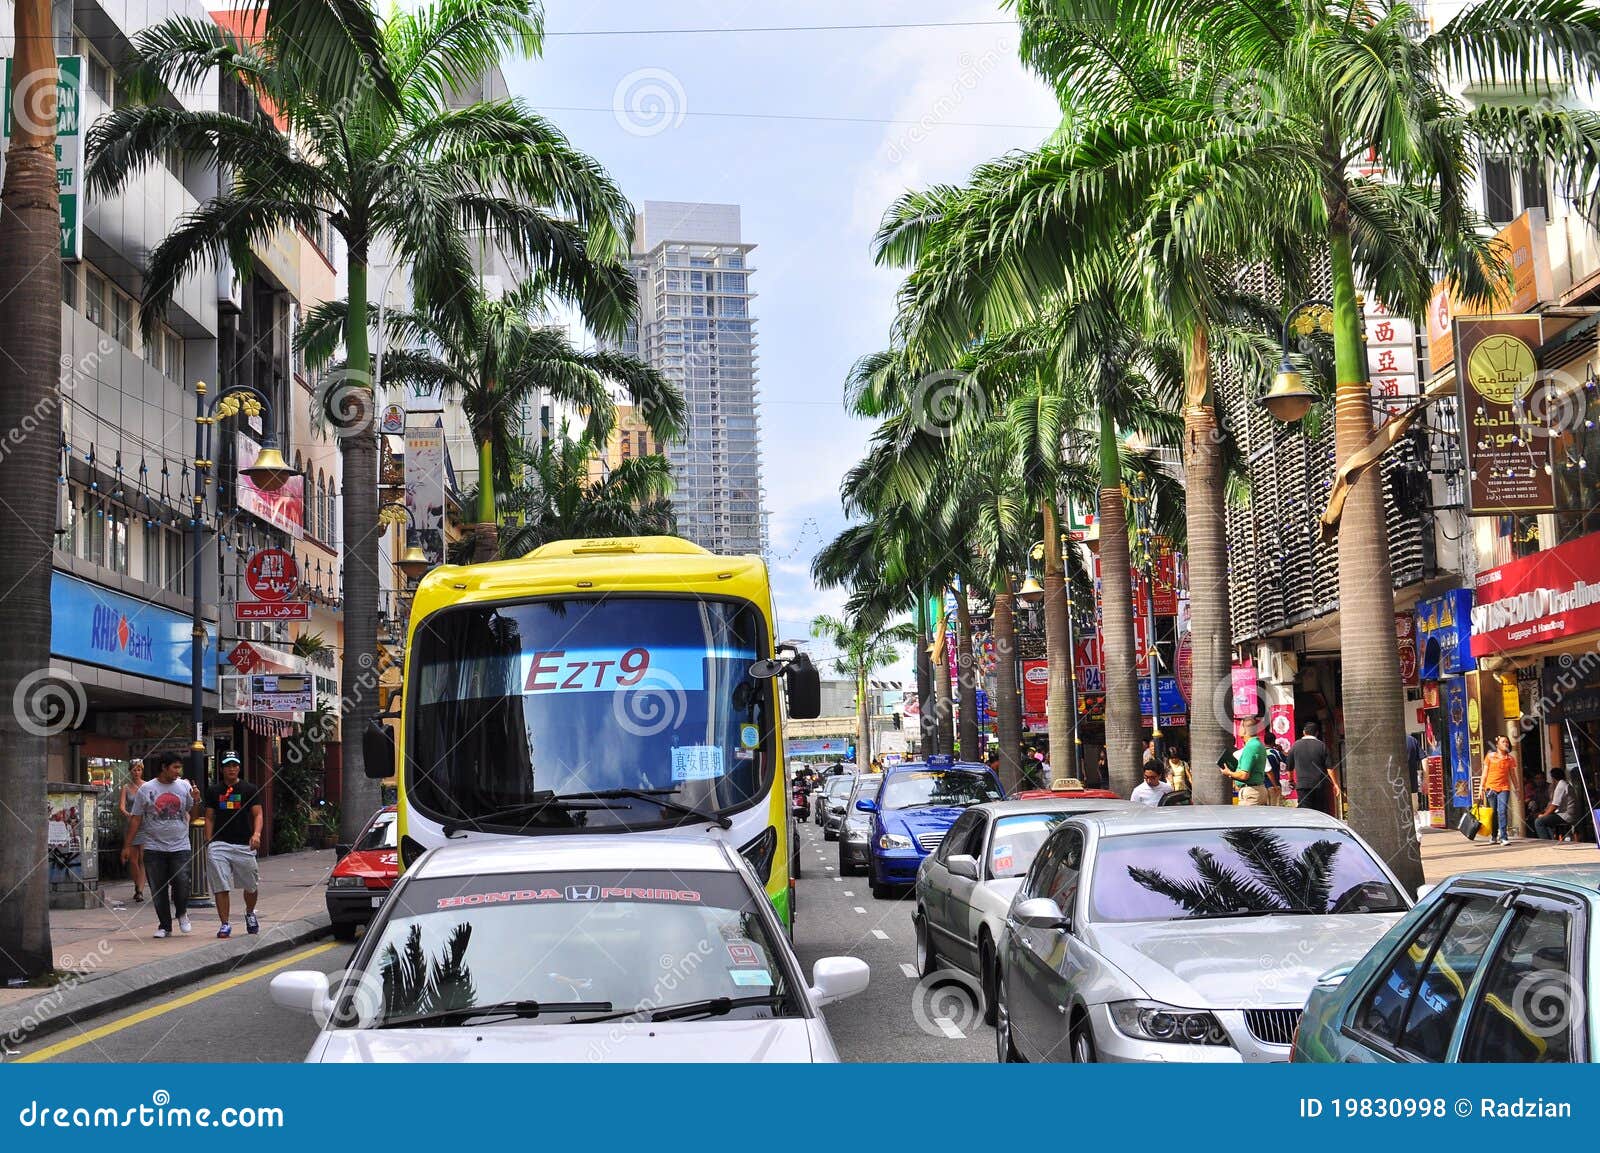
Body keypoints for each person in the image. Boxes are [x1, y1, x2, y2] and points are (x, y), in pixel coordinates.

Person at [121, 748, 199, 938]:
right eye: (175, 767)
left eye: (180, 768)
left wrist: (196, 800)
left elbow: (193, 814)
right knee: (158, 888)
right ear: (164, 767)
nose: (178, 772)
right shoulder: (146, 789)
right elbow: (136, 819)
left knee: (182, 883)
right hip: (154, 847)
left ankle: (182, 913)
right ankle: (165, 925)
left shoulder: (184, 786)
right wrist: (127, 846)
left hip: (180, 845)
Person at [205, 751, 264, 938]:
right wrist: (209, 840)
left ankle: (250, 913)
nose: (232, 769)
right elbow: (209, 817)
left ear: (239, 767)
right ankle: (225, 924)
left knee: (251, 885)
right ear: (221, 769)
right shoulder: (213, 791)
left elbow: (258, 814)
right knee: (221, 885)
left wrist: (256, 834)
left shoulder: (249, 789)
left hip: (244, 844)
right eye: (228, 765)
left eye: (235, 765)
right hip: (219, 844)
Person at [1290, 720, 1339, 815]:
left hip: (1302, 786)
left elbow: (1289, 767)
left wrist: (1291, 780)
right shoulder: (1322, 746)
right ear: (1317, 733)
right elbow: (1329, 767)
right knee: (1319, 812)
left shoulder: (1295, 745)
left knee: (1304, 813)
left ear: (1304, 732)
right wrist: (1335, 784)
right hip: (1319, 785)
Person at [118, 759, 148, 902]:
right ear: (130, 771)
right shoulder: (126, 787)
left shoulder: (147, 786)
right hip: (131, 824)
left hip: (144, 825)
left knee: (143, 858)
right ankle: (137, 884)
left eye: (139, 770)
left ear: (142, 771)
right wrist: (128, 814)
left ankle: (140, 890)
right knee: (132, 859)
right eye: (134, 770)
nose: (136, 772)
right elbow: (121, 806)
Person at [1223, 717, 1270, 805]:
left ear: (1244, 730)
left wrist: (1229, 772)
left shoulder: (1250, 747)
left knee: (1246, 814)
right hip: (1257, 790)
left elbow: (1244, 775)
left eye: (1240, 727)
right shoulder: (1259, 744)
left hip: (1251, 793)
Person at [1481, 734, 1517, 845]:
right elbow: (1484, 773)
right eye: (1503, 742)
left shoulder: (1510, 758)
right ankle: (1494, 835)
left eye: (1507, 742)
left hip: (1504, 788)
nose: (1506, 743)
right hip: (1490, 788)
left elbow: (1513, 775)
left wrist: (1517, 788)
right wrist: (1481, 788)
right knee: (1493, 813)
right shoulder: (1490, 756)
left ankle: (1504, 837)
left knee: (1502, 811)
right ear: (1497, 745)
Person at [1535, 767, 1583, 840]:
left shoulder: (1561, 786)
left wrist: (1543, 815)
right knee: (1546, 821)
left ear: (1553, 778)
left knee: (1539, 822)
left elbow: (1554, 805)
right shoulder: (1566, 784)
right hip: (1567, 814)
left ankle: (1546, 841)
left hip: (1566, 816)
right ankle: (1551, 840)